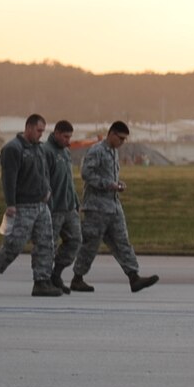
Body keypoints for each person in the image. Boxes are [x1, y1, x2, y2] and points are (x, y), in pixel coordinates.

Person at [72, 121, 160, 293]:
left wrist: (117, 185)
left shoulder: (113, 152)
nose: (122, 142)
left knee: (122, 242)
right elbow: (86, 173)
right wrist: (108, 185)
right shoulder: (97, 151)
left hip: (112, 205)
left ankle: (134, 276)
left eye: (124, 139)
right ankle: (77, 278)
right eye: (120, 138)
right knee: (91, 244)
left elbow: (109, 176)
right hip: (96, 207)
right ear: (111, 134)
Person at [0, 114, 61, 297]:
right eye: (39, 130)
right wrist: (10, 204)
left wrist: (47, 191)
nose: (41, 135)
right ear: (29, 127)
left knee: (46, 244)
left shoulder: (38, 149)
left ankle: (42, 281)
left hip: (41, 205)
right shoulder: (13, 149)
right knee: (14, 244)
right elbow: (8, 179)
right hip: (23, 205)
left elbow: (44, 173)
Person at [41, 121, 82, 292]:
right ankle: (44, 279)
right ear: (56, 133)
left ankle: (56, 274)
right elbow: (43, 179)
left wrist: (76, 201)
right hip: (54, 207)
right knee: (48, 245)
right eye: (65, 136)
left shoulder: (65, 151)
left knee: (75, 240)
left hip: (69, 207)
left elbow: (69, 180)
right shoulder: (46, 151)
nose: (68, 140)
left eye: (70, 137)